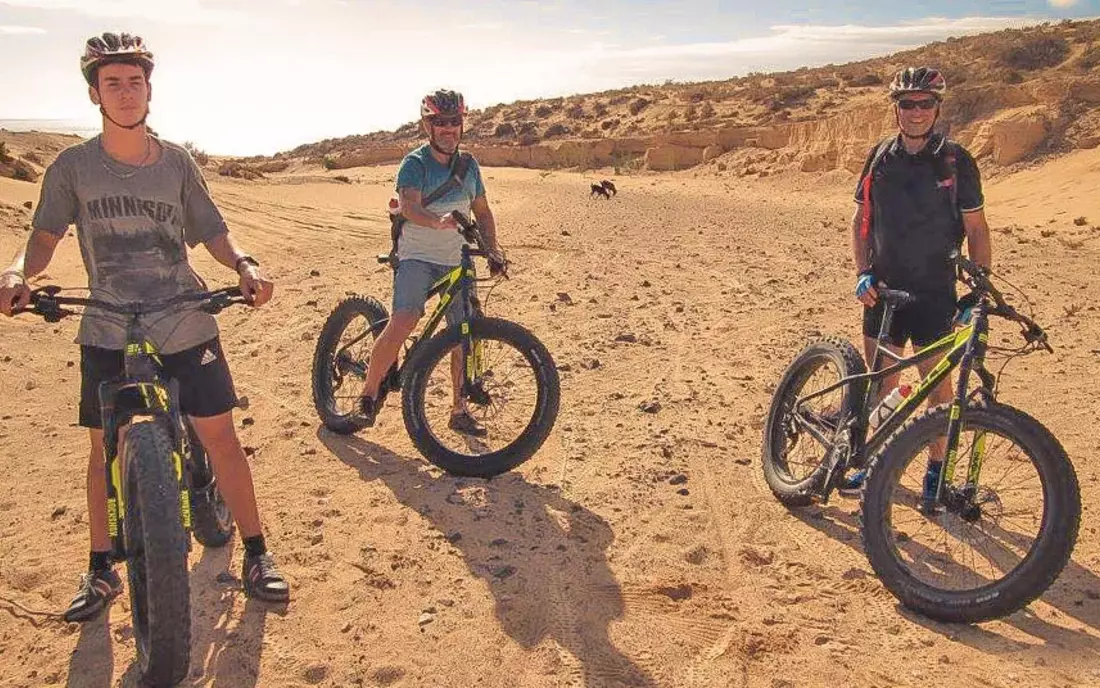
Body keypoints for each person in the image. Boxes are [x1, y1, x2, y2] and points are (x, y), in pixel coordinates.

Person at [0, 32, 289, 621]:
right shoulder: (72, 168)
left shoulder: (177, 163)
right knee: (103, 448)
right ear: (94, 94)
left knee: (219, 436)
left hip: (182, 315)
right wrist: (15, 272)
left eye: (135, 82)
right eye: (113, 83)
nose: (126, 92)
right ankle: (102, 566)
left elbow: (212, 230)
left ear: (149, 90)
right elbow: (44, 238)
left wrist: (243, 264)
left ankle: (257, 552)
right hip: (106, 321)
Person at [841, 66, 992, 506]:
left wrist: (977, 293)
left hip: (933, 294)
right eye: (908, 104)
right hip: (883, 291)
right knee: (882, 382)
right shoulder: (880, 156)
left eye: (925, 104)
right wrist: (861, 272)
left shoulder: (956, 161)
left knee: (938, 392)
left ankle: (935, 472)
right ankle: (872, 461)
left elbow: (978, 230)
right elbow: (859, 221)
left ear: (937, 108)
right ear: (896, 109)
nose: (916, 112)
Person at [357, 89, 506, 435]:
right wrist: (437, 222)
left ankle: (459, 410)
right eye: (440, 122)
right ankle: (367, 395)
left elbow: (482, 211)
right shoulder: (416, 163)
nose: (448, 129)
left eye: (455, 122)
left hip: (457, 258)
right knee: (405, 319)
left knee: (462, 334)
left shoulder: (469, 167)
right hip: (417, 257)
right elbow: (409, 205)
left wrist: (493, 250)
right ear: (428, 125)